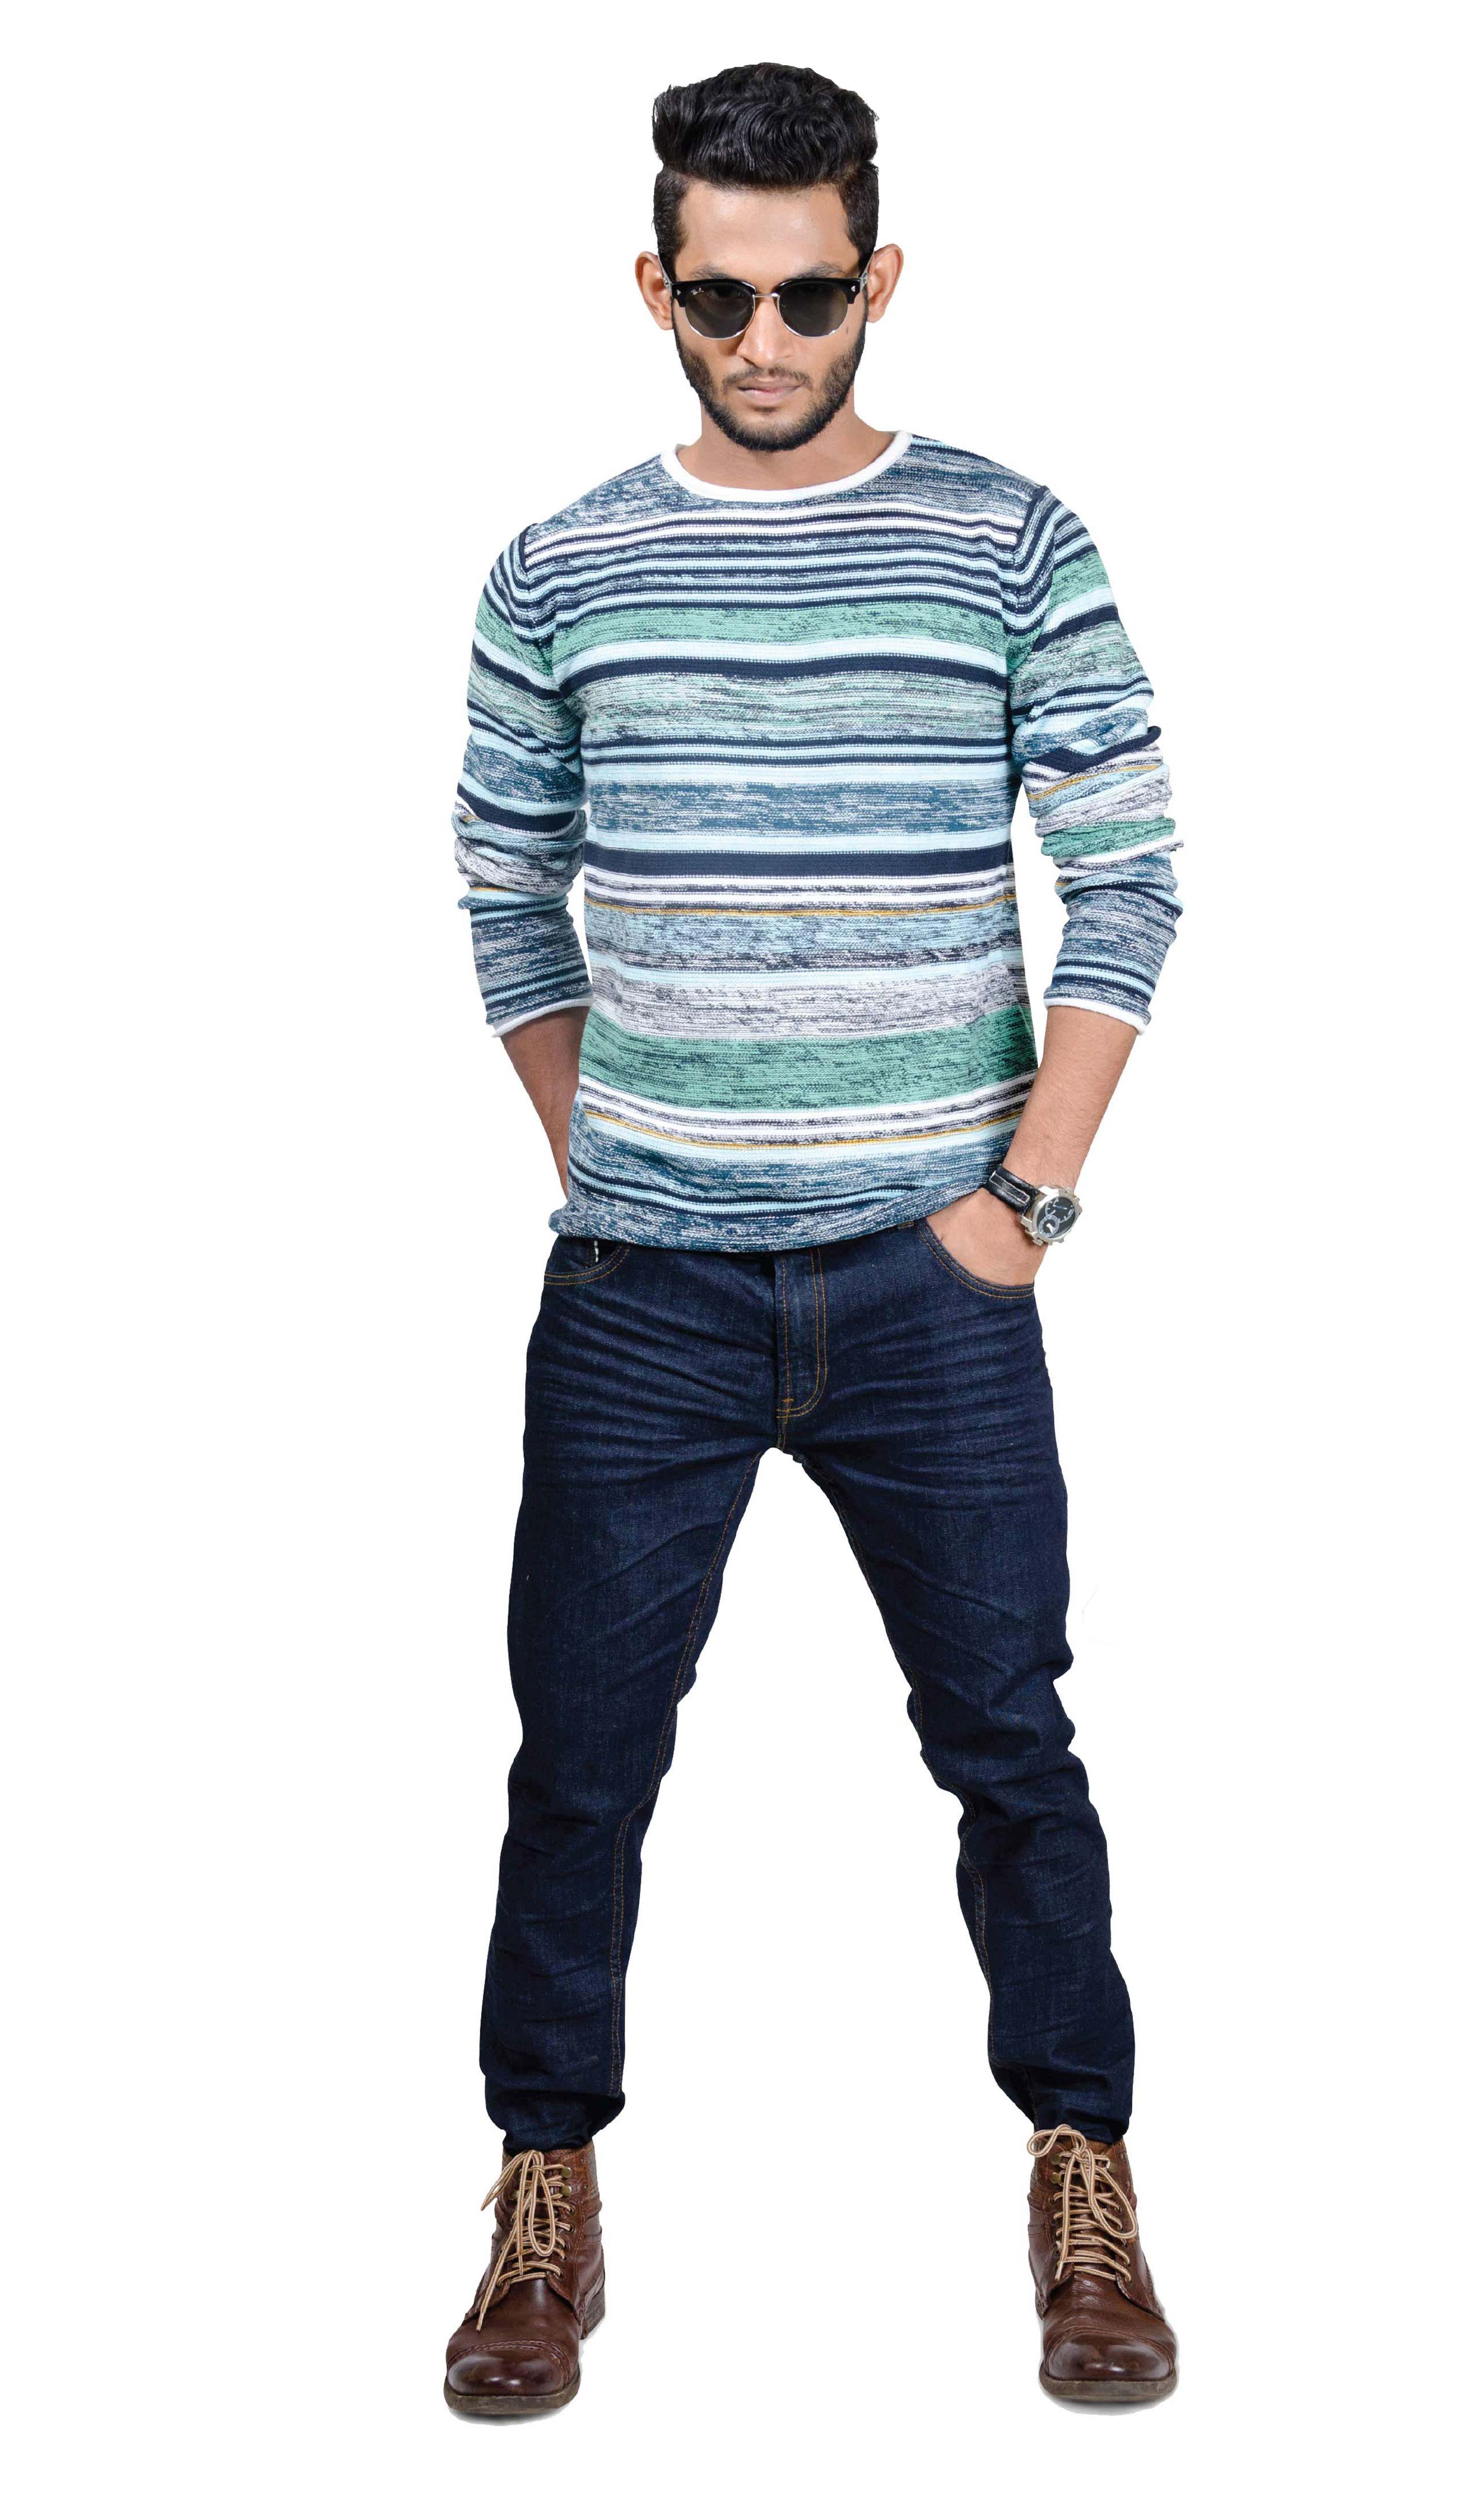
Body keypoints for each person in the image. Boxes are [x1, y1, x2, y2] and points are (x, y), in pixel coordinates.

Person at [442, 60, 1183, 2416]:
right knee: (581, 1763)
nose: (766, 340)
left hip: (930, 1283)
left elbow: (1131, 875)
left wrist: (1021, 1203)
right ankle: (541, 2190)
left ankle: (1087, 2174)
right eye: (722, 298)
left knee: (1012, 1743)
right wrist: (610, 1153)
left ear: (883, 279)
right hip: (639, 1295)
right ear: (655, 286)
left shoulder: (1009, 540)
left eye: (812, 294)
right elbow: (503, 887)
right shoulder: (563, 569)